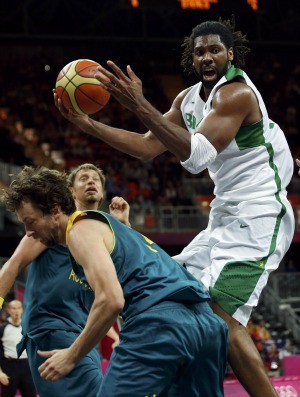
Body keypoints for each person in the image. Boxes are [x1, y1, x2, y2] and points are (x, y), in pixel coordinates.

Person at [53, 16, 294, 397]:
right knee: (179, 296)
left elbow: (196, 157)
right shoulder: (187, 99)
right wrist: (89, 126)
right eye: (200, 52)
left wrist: (138, 103)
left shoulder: (236, 95)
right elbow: (149, 147)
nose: (207, 57)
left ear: (230, 54)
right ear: (192, 59)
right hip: (225, 214)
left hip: (261, 213)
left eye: (215, 49)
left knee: (219, 317)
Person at [1, 166, 228, 397]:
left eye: (30, 222)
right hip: (207, 325)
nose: (27, 231)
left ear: (56, 210)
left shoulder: (78, 231)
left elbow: (111, 300)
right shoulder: (114, 227)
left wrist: (71, 356)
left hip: (159, 325)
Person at [0, 163, 129, 397]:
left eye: (96, 179)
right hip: (51, 328)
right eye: (83, 179)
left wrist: (122, 228)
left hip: (82, 333)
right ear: (70, 192)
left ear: (102, 192)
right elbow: (12, 266)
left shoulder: (98, 232)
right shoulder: (49, 227)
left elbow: (121, 283)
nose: (91, 181)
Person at [0, 300, 36, 397]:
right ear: (8, 310)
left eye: (19, 308)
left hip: (27, 366)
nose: (16, 311)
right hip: (9, 366)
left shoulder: (29, 327)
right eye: (13, 308)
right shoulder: (2, 328)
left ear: (22, 310)